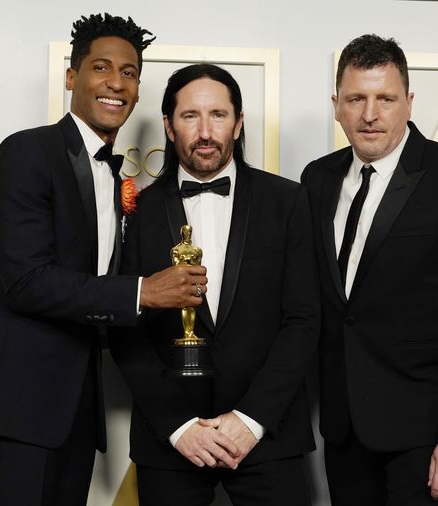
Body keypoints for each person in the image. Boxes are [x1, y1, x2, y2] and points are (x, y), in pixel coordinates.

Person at [0, 14, 209, 506]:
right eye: (101, 67)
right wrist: (143, 291)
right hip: (21, 402)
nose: (116, 82)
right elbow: (25, 281)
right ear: (72, 77)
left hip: (77, 407)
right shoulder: (26, 152)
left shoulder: (116, 178)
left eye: (129, 72)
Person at [300, 34, 438, 505]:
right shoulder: (317, 178)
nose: (370, 114)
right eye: (356, 99)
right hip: (344, 429)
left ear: (409, 103)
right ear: (336, 106)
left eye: (386, 99)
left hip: (427, 435)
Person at [110, 63, 320, 505]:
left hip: (268, 438)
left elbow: (303, 321)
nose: (205, 132)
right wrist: (179, 426)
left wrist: (252, 420)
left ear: (238, 123)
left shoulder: (288, 201)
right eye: (190, 116)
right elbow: (125, 328)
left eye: (218, 115)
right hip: (171, 442)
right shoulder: (137, 212)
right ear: (169, 127)